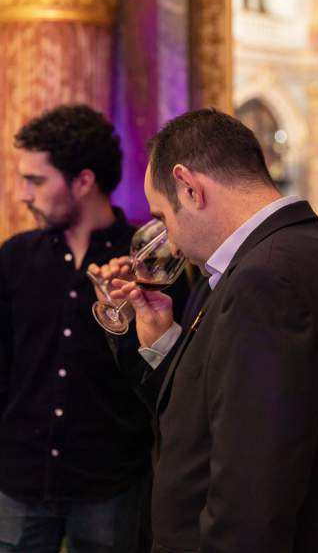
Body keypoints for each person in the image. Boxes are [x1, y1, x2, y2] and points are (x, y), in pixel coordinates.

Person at [105, 108, 318, 553]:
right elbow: (224, 407)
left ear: (189, 187)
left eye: (164, 216)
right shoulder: (315, 252)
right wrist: (164, 341)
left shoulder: (267, 278)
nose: (171, 243)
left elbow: (252, 495)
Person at [0, 104, 188, 552]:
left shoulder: (149, 264)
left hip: (111, 485)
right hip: (19, 479)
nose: (23, 195)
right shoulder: (16, 255)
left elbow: (167, 380)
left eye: (36, 180)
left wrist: (131, 317)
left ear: (83, 181)